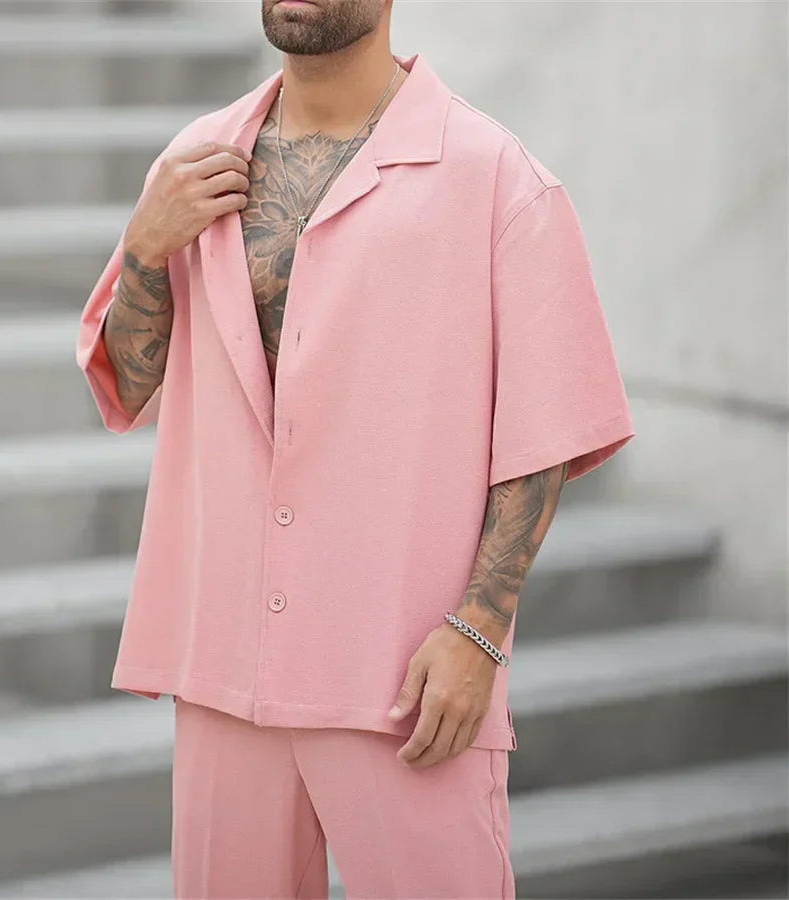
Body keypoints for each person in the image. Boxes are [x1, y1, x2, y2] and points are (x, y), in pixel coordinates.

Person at [76, 1, 635, 896]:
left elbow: (544, 431)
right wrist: (145, 247)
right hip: (224, 663)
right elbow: (132, 381)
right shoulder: (196, 160)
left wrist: (479, 632)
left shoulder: (497, 178)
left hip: (403, 676)